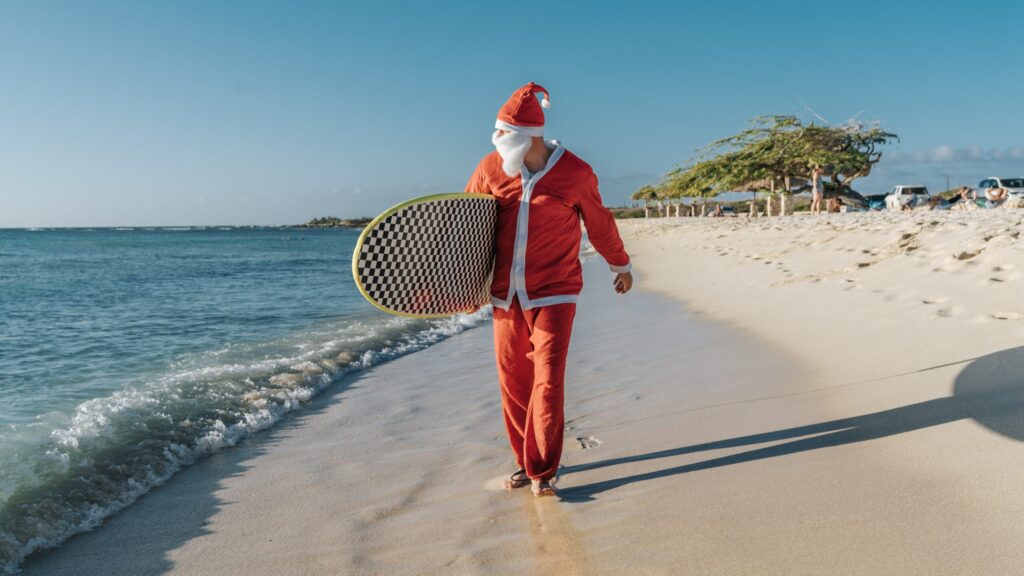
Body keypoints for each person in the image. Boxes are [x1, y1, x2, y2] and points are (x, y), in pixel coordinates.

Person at [465, 82, 633, 497]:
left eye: (503, 133)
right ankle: (525, 461)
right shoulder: (490, 168)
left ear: (526, 136)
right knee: (514, 382)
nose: (496, 139)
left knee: (548, 380)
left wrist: (620, 264)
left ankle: (542, 469)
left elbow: (599, 222)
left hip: (556, 291)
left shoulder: (576, 172)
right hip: (505, 295)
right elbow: (465, 229)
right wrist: (457, 288)